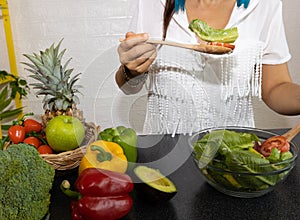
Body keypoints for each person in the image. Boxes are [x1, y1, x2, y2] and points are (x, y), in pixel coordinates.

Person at [115, 0, 300, 135]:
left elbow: (275, 86)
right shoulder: (152, 3)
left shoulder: (265, 4)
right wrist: (130, 70)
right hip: (167, 152)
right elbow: (127, 86)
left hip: (234, 153)